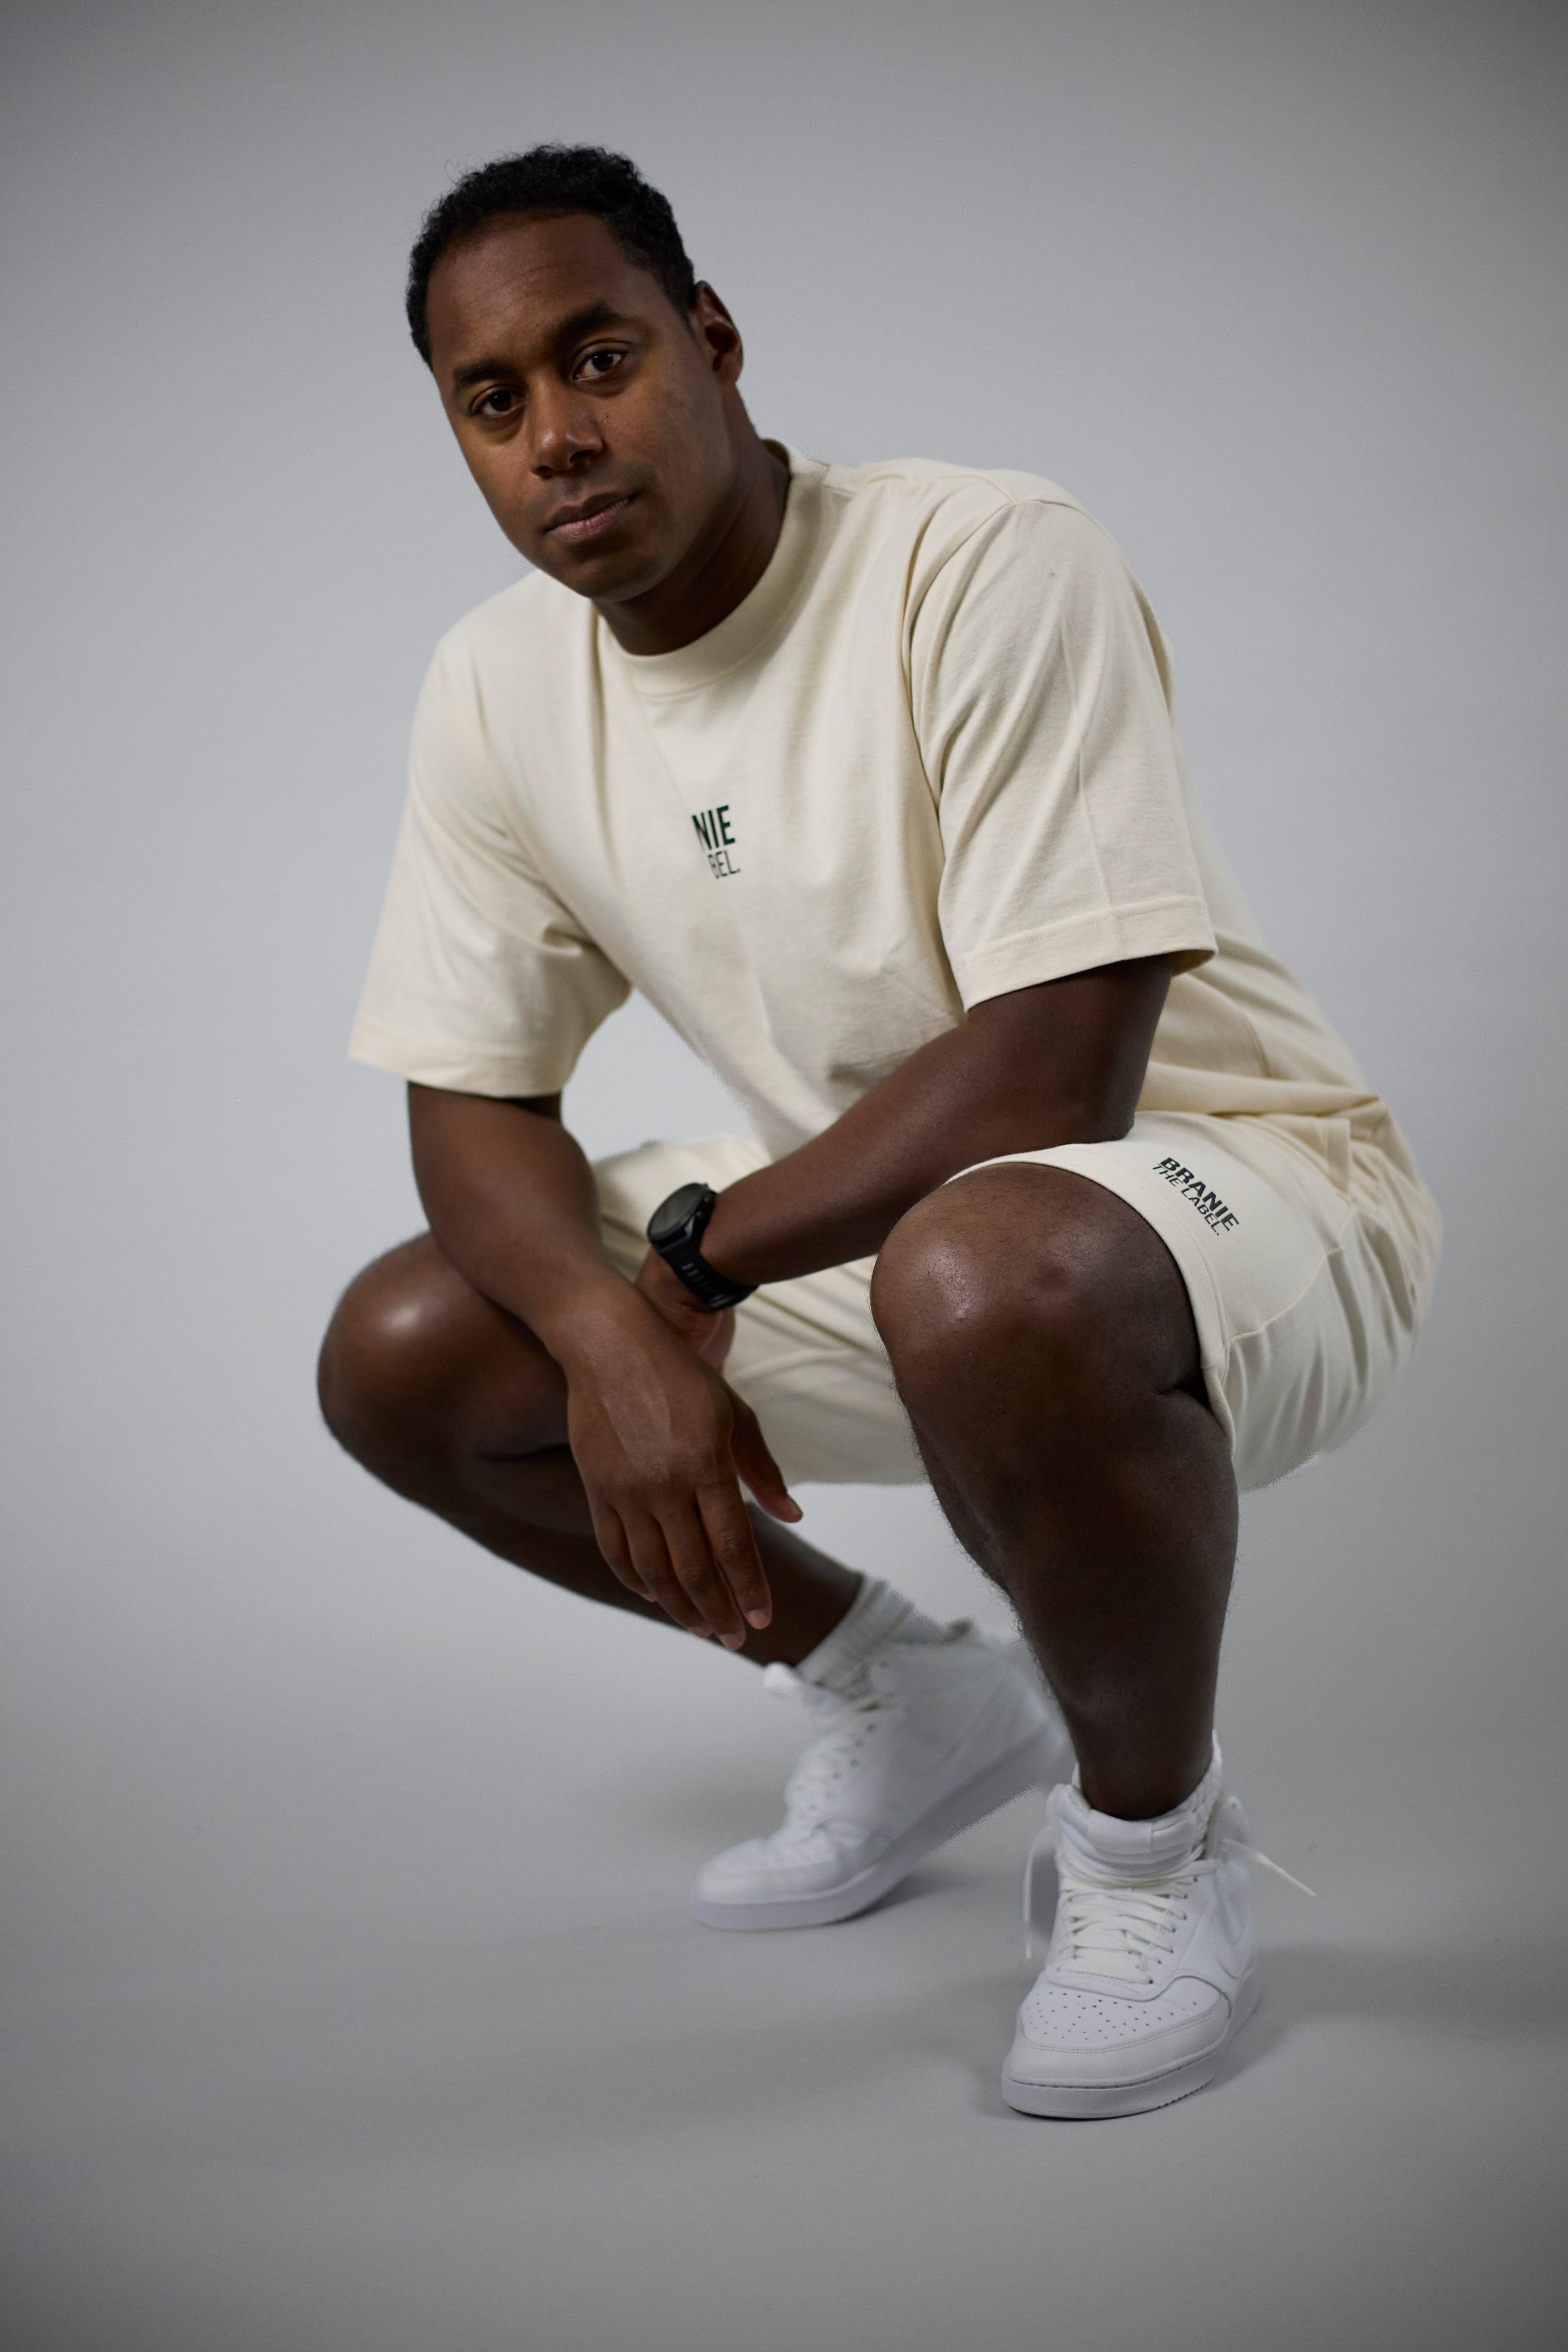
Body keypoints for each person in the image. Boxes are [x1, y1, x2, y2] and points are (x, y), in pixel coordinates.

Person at [318, 144, 1439, 2120]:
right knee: (411, 1352)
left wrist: (685, 1271)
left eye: (600, 359)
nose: (557, 436)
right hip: (883, 1246)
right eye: (491, 401)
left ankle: (1151, 1854)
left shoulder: (980, 557)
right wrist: (602, 1340)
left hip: (1244, 1205)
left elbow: (1055, 1075)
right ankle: (902, 1692)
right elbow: (472, 1095)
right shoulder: (494, 687)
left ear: (713, 339)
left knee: (987, 1259)